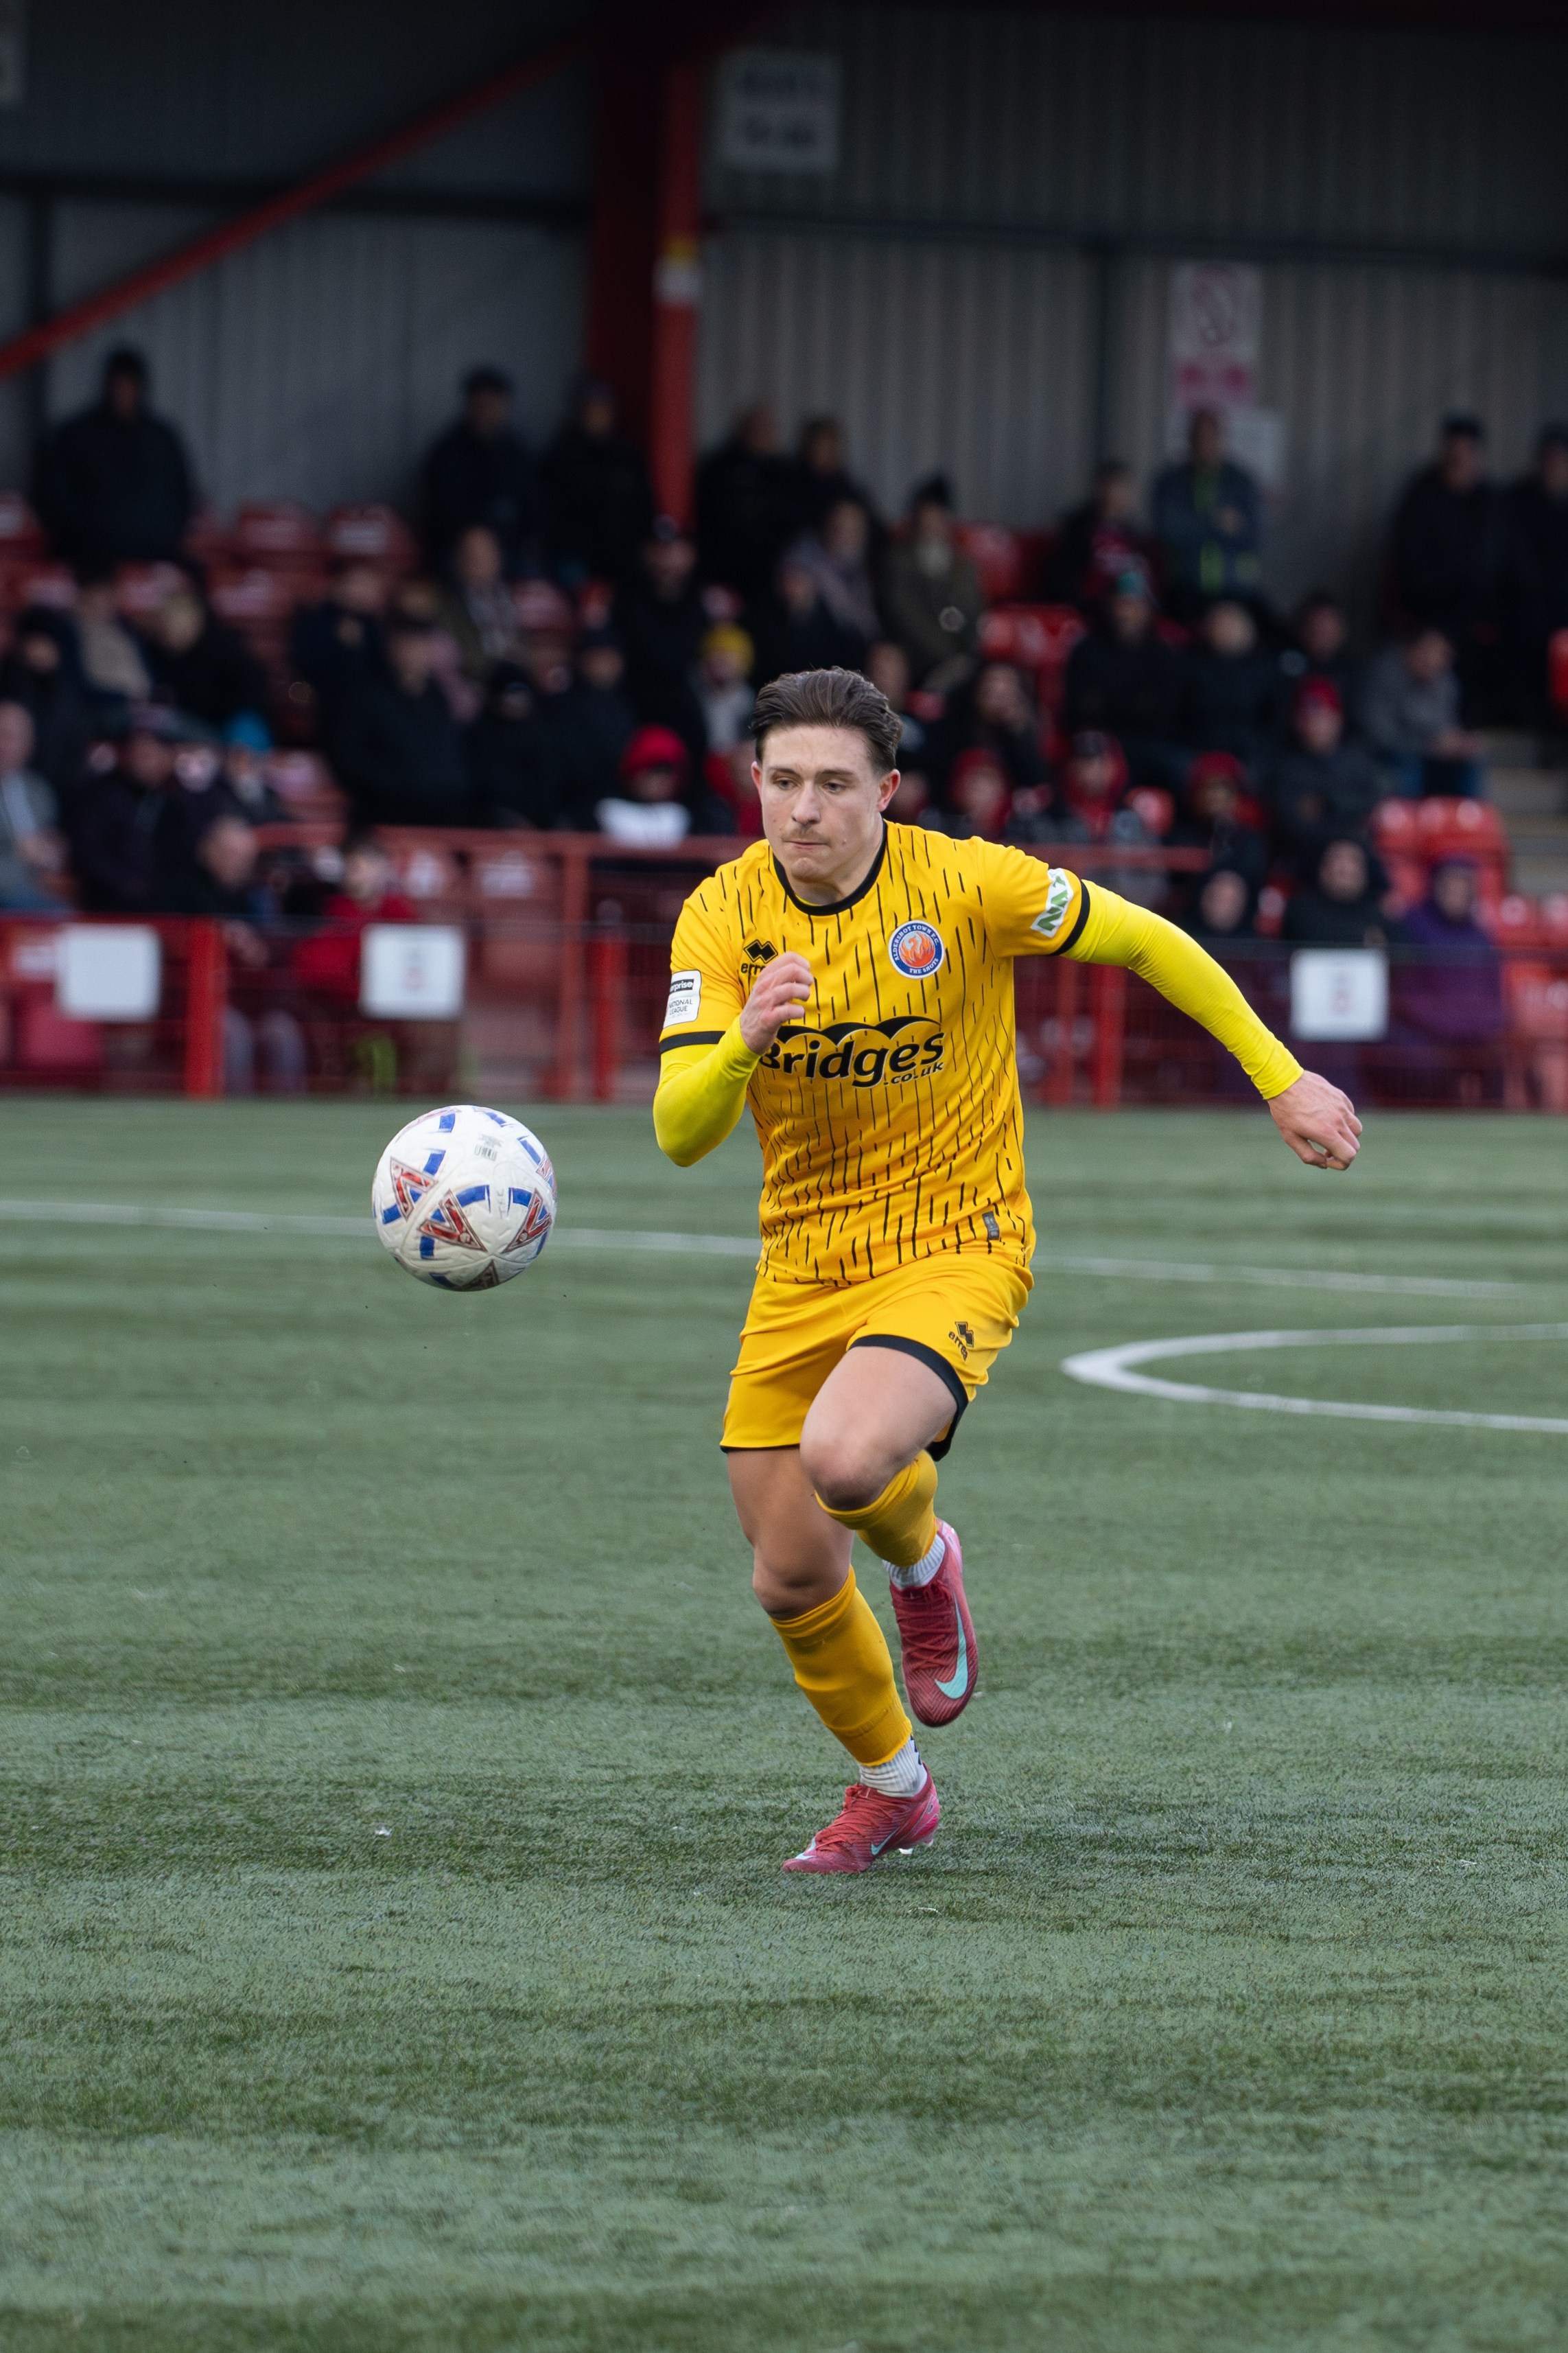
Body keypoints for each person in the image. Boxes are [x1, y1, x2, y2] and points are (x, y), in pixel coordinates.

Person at [651, 664, 1359, 1871]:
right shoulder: (721, 916)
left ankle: (926, 1561)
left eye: (833, 783)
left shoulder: (969, 882)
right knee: (786, 1575)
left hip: (957, 1237)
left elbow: (1146, 939)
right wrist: (740, 1045)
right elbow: (679, 1130)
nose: (804, 808)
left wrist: (1279, 1072)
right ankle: (893, 1789)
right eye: (782, 782)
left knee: (848, 1455)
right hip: (802, 1263)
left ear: (887, 789)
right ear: (751, 783)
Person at [32, 347, 194, 566]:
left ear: (141, 387)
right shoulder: (76, 435)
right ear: (106, 385)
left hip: (157, 557)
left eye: (130, 385)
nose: (123, 393)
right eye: (118, 385)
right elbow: (53, 496)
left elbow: (183, 496)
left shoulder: (162, 438)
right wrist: (86, 535)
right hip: (89, 562)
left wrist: (162, 535)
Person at [1384, 415, 1503, 678]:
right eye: (1453, 454)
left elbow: (1492, 561)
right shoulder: (1421, 493)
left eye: (1466, 454)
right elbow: (1408, 559)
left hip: (1474, 606)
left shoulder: (1488, 499)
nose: (1459, 462)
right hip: (1426, 603)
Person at [329, 612, 473, 826]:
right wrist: (397, 785)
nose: (415, 652)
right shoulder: (366, 695)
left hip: (446, 810)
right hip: (389, 813)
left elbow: (451, 751)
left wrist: (454, 783)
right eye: (408, 644)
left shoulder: (438, 696)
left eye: (422, 645)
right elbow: (349, 757)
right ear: (393, 647)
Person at [1061, 569, 1186, 787]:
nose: (1127, 613)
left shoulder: (1162, 654)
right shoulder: (1088, 651)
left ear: (1148, 609)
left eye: (1134, 605)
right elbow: (1079, 712)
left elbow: (1165, 715)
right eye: (1121, 604)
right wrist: (1135, 704)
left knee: (1183, 771)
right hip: (1099, 745)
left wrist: (1110, 703)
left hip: (1151, 744)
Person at [1391, 857, 1506, 1095]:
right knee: (1427, 1062)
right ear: (1435, 885)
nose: (1456, 891)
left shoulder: (1480, 936)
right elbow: (1405, 994)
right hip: (1426, 1032)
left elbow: (1494, 994)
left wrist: (1483, 1025)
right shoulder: (1411, 926)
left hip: (1473, 1034)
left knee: (1499, 1057)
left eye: (1463, 884)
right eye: (1449, 883)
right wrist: (1448, 1025)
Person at [420, 366, 539, 572]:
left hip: (510, 548)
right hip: (462, 549)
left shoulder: (518, 452)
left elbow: (535, 502)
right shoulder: (448, 452)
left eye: (494, 403)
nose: (488, 411)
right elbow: (442, 509)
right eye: (481, 404)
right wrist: (477, 535)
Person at [613, 518, 709, 769]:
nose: (666, 559)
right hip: (636, 705)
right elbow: (663, 657)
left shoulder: (700, 603)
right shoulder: (626, 600)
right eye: (658, 550)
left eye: (675, 550)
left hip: (685, 706)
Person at [540, 375, 655, 584]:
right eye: (589, 408)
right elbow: (547, 510)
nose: (596, 415)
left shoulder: (628, 456)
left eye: (602, 408)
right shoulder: (560, 455)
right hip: (573, 556)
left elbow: (645, 506)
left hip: (622, 555)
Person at [1266, 680, 1382, 877]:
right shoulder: (1285, 767)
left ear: (1337, 719)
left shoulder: (1357, 760)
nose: (1314, 726)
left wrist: (1329, 803)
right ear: (1296, 722)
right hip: (1304, 861)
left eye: (1322, 718)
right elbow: (1294, 826)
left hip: (1354, 857)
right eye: (1307, 718)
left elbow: (1372, 803)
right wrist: (1347, 821)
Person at [878, 475, 983, 690]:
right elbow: (905, 615)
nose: (932, 522)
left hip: (958, 658)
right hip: (916, 658)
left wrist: (962, 648)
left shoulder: (962, 566)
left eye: (938, 515)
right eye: (927, 515)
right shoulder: (899, 560)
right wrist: (948, 654)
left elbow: (970, 611)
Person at [1151, 408, 1263, 612]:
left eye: (1211, 436)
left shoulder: (1241, 482)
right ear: (1189, 439)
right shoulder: (1171, 481)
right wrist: (1216, 523)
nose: (1205, 443)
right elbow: (1167, 531)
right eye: (1199, 436)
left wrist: (1192, 524)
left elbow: (1254, 536)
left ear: (1221, 438)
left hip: (1235, 591)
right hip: (1184, 589)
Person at [1359, 629, 1486, 799]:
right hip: (1384, 757)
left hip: (1429, 757)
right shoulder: (1383, 674)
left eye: (1441, 654)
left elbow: (1445, 728)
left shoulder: (1445, 683)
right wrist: (1427, 746)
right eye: (1428, 651)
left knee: (1469, 761)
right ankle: (1407, 822)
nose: (1432, 660)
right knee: (1408, 764)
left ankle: (1466, 820)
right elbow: (1378, 734)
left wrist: (1458, 743)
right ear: (1411, 649)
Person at [694, 405, 801, 605]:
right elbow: (706, 519)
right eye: (755, 427)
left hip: (773, 573)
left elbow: (795, 523)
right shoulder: (719, 468)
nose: (761, 434)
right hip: (724, 574)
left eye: (767, 428)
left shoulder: (787, 473)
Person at [534, 625, 639, 824]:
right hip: (572, 808)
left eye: (611, 657)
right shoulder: (559, 706)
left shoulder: (627, 706)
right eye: (598, 657)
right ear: (582, 660)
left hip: (619, 806)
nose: (605, 665)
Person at [141, 579, 270, 733]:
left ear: (197, 621)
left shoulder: (223, 647)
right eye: (170, 625)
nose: (176, 632)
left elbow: (250, 693)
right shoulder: (152, 652)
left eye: (184, 625)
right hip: (183, 726)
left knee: (247, 729)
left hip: (229, 722)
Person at [1501, 425, 1568, 721]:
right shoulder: (1518, 500)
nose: (1554, 466)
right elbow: (1514, 558)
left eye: (1561, 460)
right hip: (1526, 603)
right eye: (1549, 459)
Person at [0, 604, 95, 801]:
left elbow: (76, 740)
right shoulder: (10, 684)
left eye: (47, 643)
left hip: (63, 788)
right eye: (35, 641)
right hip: (18, 787)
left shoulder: (66, 689)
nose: (41, 650)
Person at [1180, 598, 1283, 771]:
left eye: (1233, 625)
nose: (1227, 631)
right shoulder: (1192, 666)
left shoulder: (1264, 668)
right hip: (1200, 751)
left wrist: (1256, 745)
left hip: (1250, 754)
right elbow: (1180, 715)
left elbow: (1274, 719)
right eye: (1220, 624)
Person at [288, 561, 389, 736]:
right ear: (338, 584)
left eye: (367, 584)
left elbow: (382, 671)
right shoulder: (314, 620)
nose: (361, 591)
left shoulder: (376, 627)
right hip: (327, 702)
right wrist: (344, 647)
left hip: (370, 705)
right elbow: (304, 662)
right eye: (356, 582)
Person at [927, 661, 1046, 799]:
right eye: (991, 687)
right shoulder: (953, 729)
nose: (997, 696)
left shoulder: (1021, 737)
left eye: (1006, 690)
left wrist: (1016, 730)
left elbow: (1036, 782)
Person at [754, 543, 867, 686]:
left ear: (812, 582)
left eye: (798, 579)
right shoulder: (767, 627)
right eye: (787, 579)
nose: (792, 586)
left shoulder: (833, 630)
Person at [1049, 461, 1154, 608]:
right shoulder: (1080, 529)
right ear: (1099, 488)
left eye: (1122, 486)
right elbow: (1064, 578)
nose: (1117, 493)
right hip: (1095, 608)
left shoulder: (1134, 535)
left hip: (1128, 610)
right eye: (1112, 485)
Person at [465, 665, 557, 829]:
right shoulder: (480, 734)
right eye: (510, 692)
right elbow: (484, 787)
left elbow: (550, 782)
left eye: (521, 692)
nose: (516, 699)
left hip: (541, 825)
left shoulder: (541, 734)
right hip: (494, 824)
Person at [788, 500, 882, 650]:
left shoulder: (867, 574)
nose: (846, 537)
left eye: (854, 529)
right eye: (839, 527)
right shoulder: (804, 573)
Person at [0, 701, 67, 909]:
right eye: (5, 735)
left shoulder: (39, 790)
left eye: (20, 737)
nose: (11, 745)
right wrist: (22, 857)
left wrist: (56, 850)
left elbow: (50, 841)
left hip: (39, 891)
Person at [433, 525, 521, 682]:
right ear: (456, 560)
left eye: (485, 552)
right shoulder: (443, 604)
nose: (477, 560)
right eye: (470, 554)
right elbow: (462, 659)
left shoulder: (518, 596)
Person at [1282, 837, 1396, 947]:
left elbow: (1402, 954)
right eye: (1338, 858)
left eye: (1354, 860)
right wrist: (1363, 938)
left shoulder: (1380, 914)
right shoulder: (1301, 911)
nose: (1347, 868)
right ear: (1322, 869)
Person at [594, 723, 692, 846]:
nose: (662, 780)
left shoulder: (692, 820)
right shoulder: (602, 813)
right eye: (655, 770)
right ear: (633, 773)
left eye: (668, 772)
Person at [73, 566, 152, 705]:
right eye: (101, 594)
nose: (109, 601)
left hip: (145, 706)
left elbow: (145, 675)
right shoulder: (73, 631)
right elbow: (82, 683)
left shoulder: (125, 630)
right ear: (86, 595)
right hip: (110, 708)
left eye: (111, 595)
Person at [794, 415, 875, 531]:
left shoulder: (848, 490)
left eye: (832, 447)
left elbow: (872, 526)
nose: (828, 453)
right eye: (821, 446)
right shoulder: (792, 487)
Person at [1278, 590, 1355, 706]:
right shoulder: (1281, 668)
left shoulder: (1353, 676)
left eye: (1329, 630)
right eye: (1316, 629)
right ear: (1301, 627)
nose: (1323, 636)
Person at [694, 623, 756, 754]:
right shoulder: (693, 699)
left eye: (730, 654)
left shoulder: (750, 701)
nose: (723, 661)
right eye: (716, 653)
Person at [1184, 865, 1258, 947]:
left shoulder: (1257, 948)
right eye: (1215, 898)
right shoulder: (1181, 938)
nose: (1221, 908)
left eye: (1230, 901)